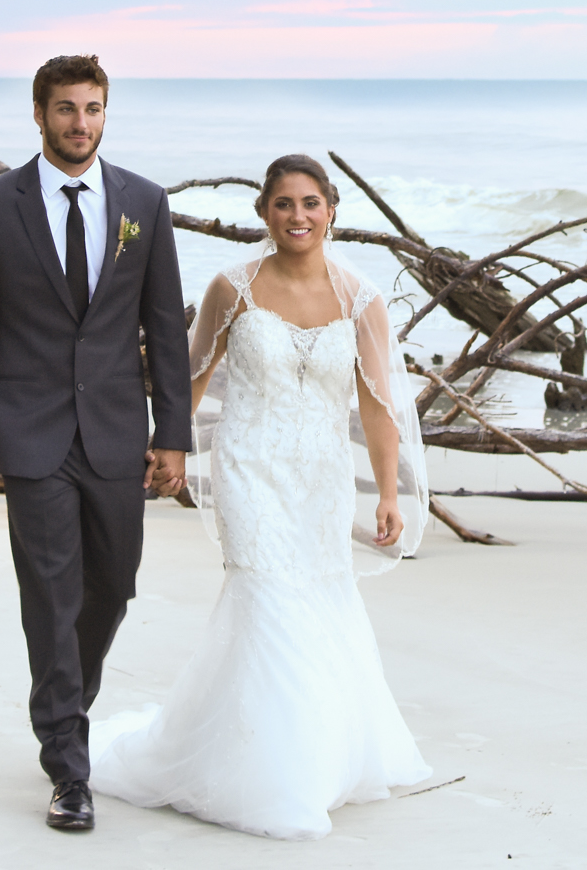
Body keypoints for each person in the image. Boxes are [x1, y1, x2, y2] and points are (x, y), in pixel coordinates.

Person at [88, 153, 432, 840]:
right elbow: (188, 379)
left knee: (321, 600)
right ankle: (277, 779)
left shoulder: (362, 299)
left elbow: (377, 406)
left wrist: (389, 494)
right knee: (265, 599)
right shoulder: (232, 287)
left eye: (310, 203)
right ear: (263, 213)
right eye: (283, 204)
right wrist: (172, 451)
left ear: (332, 209)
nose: (297, 216)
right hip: (249, 467)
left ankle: (318, 754)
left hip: (320, 479)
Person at [0, 54, 192, 833]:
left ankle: (63, 703)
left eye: (93, 108)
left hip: (116, 429)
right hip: (31, 431)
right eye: (66, 109)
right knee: (50, 592)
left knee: (112, 585)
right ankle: (67, 765)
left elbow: (164, 329)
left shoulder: (143, 203)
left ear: (106, 114)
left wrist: (173, 434)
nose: (80, 123)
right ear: (39, 114)